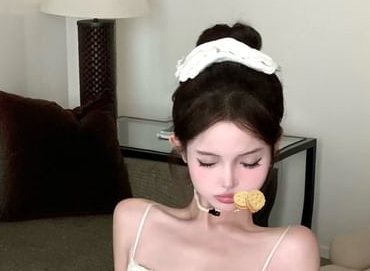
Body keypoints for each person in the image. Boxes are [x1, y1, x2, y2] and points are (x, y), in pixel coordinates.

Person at [113, 23, 320, 271]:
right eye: (208, 162)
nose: (228, 181)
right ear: (180, 148)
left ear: (274, 147)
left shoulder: (291, 250)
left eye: (249, 162)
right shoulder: (134, 221)